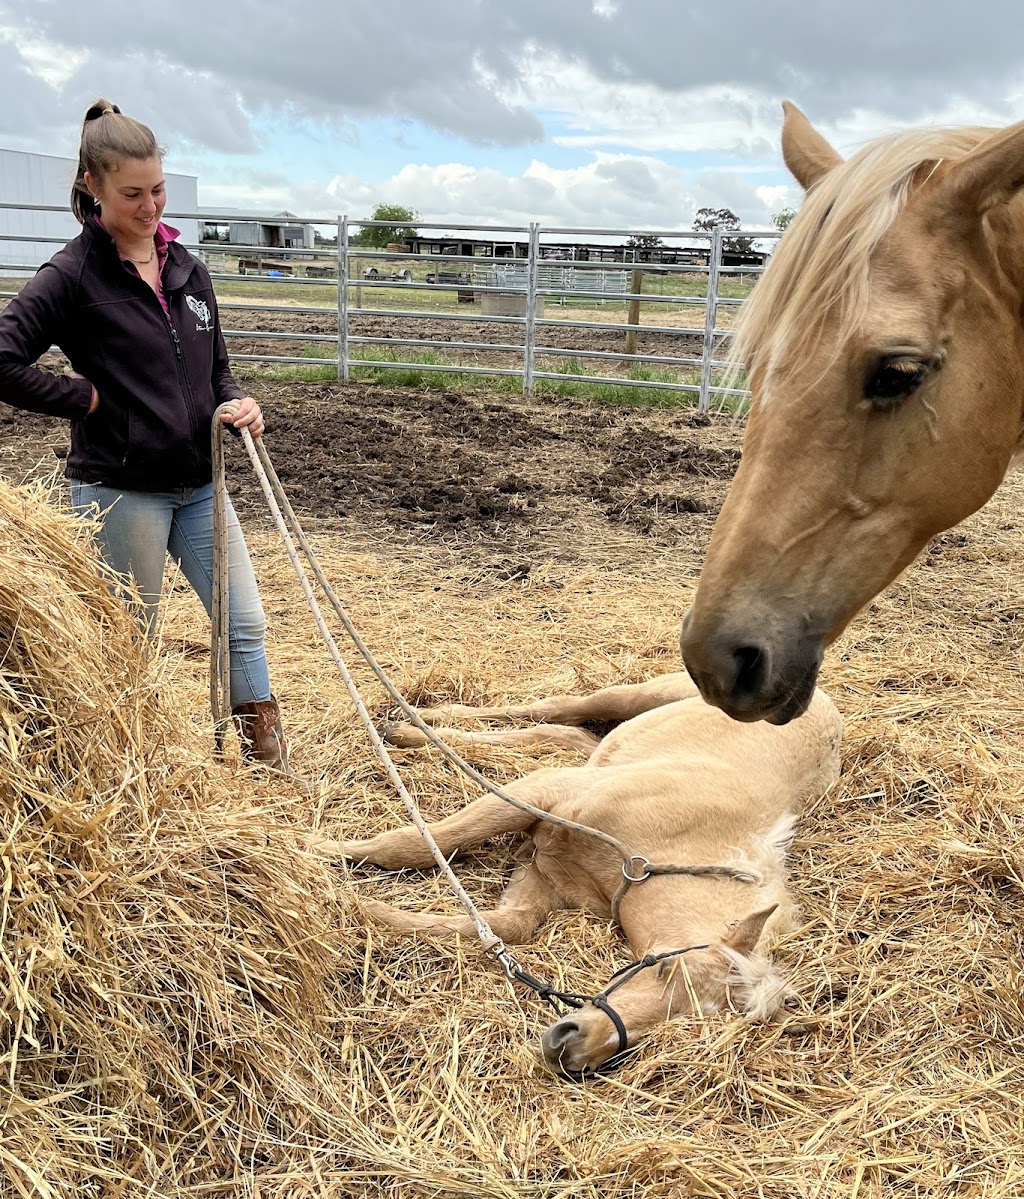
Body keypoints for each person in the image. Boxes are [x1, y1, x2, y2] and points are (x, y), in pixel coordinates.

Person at [0, 99, 290, 771]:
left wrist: (238, 402)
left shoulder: (188, 268)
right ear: (91, 188)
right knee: (131, 639)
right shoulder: (71, 276)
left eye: (157, 189)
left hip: (200, 486)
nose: (151, 205)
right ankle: (130, 775)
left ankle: (267, 765)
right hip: (121, 491)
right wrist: (87, 398)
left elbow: (218, 368)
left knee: (243, 624)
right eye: (132, 193)